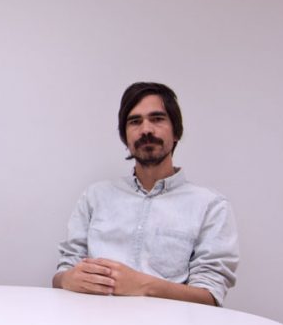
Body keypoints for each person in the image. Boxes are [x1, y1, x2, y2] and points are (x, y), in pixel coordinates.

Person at [53, 82, 238, 306]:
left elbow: (210, 296)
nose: (146, 130)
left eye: (157, 119)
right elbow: (63, 273)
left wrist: (144, 286)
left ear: (176, 132)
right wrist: (66, 279)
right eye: (135, 121)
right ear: (125, 136)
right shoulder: (95, 197)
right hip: (91, 322)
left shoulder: (210, 205)